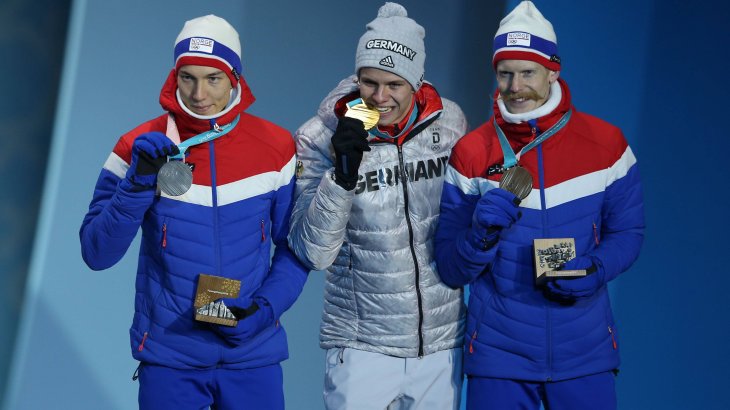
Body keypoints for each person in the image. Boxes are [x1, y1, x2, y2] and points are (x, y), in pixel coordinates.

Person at [79, 15, 308, 409]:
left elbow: (297, 248)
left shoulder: (276, 146)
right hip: (171, 356)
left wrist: (265, 309)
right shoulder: (136, 145)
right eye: (188, 77)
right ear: (174, 77)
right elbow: (96, 253)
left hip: (252, 353)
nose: (199, 93)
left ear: (235, 78)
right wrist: (137, 185)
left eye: (213, 78)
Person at [434, 2, 644, 409]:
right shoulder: (471, 152)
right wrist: (478, 236)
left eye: (527, 72)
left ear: (553, 70)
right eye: (505, 73)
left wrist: (597, 269)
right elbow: (450, 267)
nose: (515, 86)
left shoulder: (606, 145)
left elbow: (629, 232)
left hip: (585, 353)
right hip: (500, 357)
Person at [287, 3, 467, 409]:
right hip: (362, 345)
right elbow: (312, 252)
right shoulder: (318, 137)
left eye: (394, 85)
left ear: (416, 81)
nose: (380, 97)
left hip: (440, 343)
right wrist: (341, 176)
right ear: (357, 78)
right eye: (369, 83)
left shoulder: (450, 122)